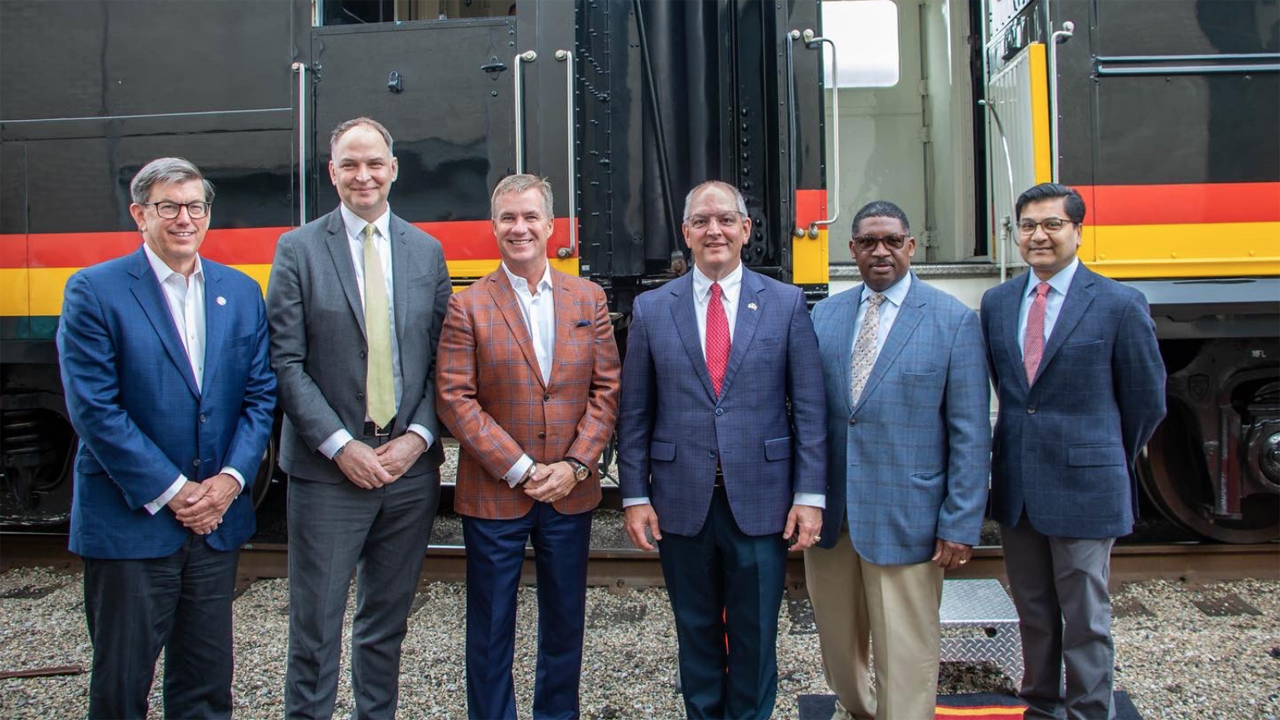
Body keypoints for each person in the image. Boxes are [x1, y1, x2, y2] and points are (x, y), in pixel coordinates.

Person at [57, 157, 276, 719]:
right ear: (140, 214)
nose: (185, 218)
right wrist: (177, 491)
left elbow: (259, 397)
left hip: (215, 525)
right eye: (169, 206)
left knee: (205, 686)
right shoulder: (94, 290)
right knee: (121, 685)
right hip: (132, 523)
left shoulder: (240, 290)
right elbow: (94, 410)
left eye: (195, 206)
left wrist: (230, 482)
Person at [617, 180, 826, 719]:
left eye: (726, 220)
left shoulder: (784, 303)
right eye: (702, 221)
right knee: (696, 636)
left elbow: (808, 408)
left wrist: (809, 496)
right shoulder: (651, 309)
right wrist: (634, 496)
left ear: (745, 230)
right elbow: (635, 414)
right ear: (686, 232)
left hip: (761, 501)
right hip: (680, 503)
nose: (715, 231)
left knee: (756, 639)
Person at [266, 117, 452, 719]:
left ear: (393, 169)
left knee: (385, 626)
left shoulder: (426, 251)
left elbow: (444, 361)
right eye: (350, 164)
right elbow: (286, 362)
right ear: (332, 172)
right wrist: (341, 445)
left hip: (408, 473)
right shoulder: (297, 249)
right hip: (328, 474)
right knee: (314, 632)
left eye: (374, 163)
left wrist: (418, 438)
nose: (363, 175)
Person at [435, 173, 621, 720]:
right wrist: (520, 468)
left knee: (565, 622)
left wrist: (575, 465)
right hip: (495, 493)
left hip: (570, 492)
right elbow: (455, 398)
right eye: (508, 218)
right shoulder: (467, 306)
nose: (520, 228)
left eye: (530, 217)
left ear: (550, 225)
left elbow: (607, 390)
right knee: (490, 628)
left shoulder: (587, 298)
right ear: (493, 227)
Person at [981, 182, 1166, 720]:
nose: (1038, 236)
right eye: (1028, 226)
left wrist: (1100, 454)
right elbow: (1010, 391)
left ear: (1078, 232)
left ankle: (1088, 712)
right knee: (1034, 611)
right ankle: (1041, 705)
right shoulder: (997, 304)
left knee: (1085, 617)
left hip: (1086, 485)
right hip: (1018, 487)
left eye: (1052, 224)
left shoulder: (1118, 304)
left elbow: (1146, 402)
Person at [803, 201, 990, 720]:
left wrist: (960, 522)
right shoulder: (825, 316)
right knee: (838, 652)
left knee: (906, 657)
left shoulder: (953, 321)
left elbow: (971, 434)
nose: (880, 251)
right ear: (852, 250)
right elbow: (810, 417)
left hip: (909, 516)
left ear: (911, 245)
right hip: (833, 520)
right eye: (868, 242)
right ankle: (862, 711)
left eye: (891, 241)